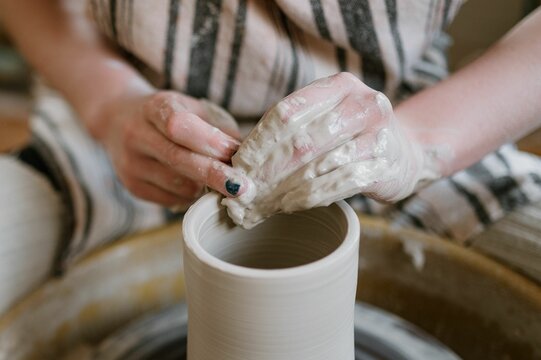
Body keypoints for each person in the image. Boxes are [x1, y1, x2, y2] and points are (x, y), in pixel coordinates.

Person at [0, 0, 540, 315]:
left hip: (396, 119)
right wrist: (107, 102)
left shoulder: (405, 132)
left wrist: (419, 143)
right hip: (133, 120)